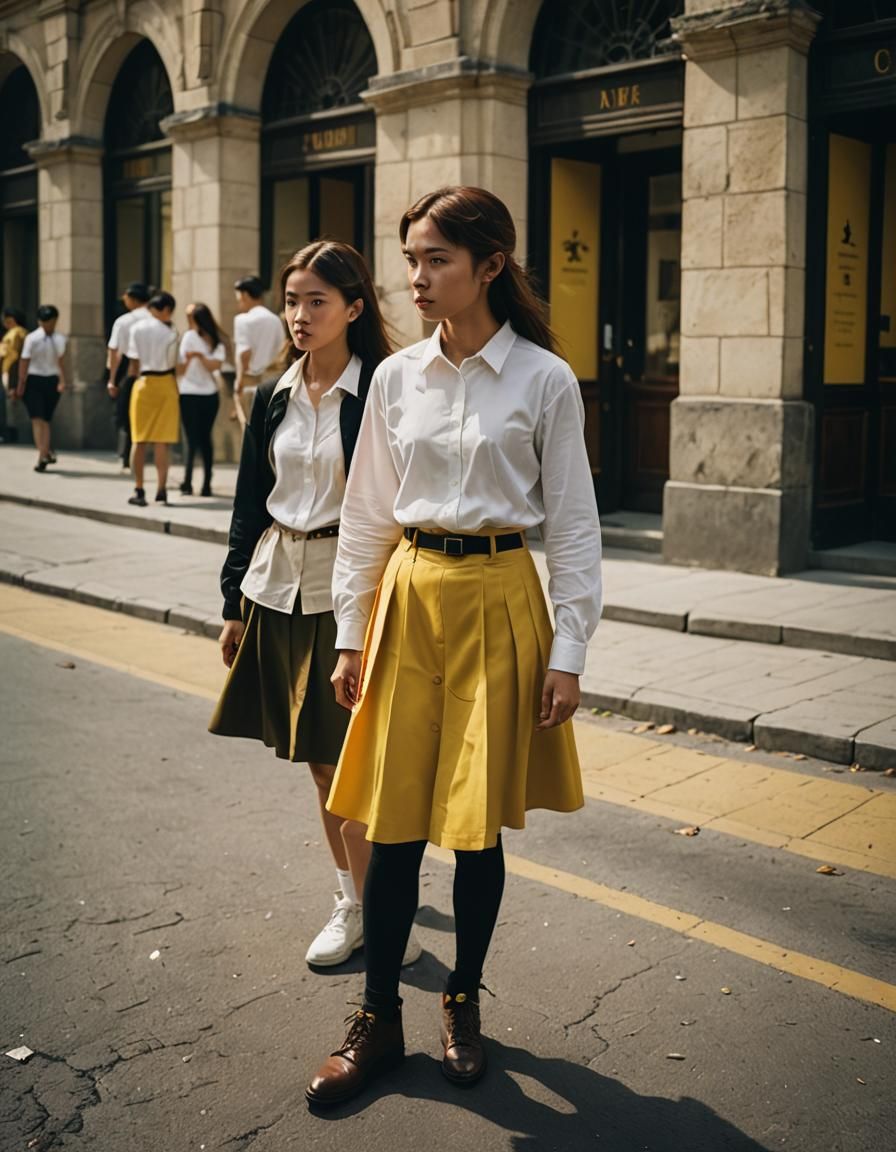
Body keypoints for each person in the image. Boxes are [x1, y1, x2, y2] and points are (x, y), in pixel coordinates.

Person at [305, 187, 602, 1106]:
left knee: (476, 831)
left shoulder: (544, 379)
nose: (417, 278)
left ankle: (463, 1002)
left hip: (504, 597)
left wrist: (570, 651)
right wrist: (352, 636)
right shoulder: (396, 379)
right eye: (411, 260)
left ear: (490, 266)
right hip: (412, 599)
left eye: (435, 259)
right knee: (393, 824)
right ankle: (378, 1016)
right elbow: (364, 519)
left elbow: (577, 526)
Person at [209, 241, 420, 970]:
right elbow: (247, 502)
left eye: (315, 301)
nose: (298, 315)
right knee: (319, 763)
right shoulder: (273, 393)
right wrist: (233, 599)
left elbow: (400, 506)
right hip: (278, 584)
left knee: (350, 763)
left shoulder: (382, 391)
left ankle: (370, 903)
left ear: (353, 308)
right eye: (291, 300)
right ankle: (357, 896)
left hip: (352, 590)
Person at [125, 291, 179, 506]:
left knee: (138, 440)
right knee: (161, 442)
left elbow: (134, 363)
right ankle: (161, 489)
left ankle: (139, 489)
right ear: (165, 309)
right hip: (166, 383)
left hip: (144, 384)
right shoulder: (172, 332)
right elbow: (174, 362)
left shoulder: (136, 328)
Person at [177, 302, 225, 496]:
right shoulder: (188, 336)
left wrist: (200, 355)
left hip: (209, 394)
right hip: (188, 392)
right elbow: (180, 366)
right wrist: (191, 359)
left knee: (205, 438)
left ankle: (207, 483)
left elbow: (215, 366)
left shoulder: (217, 341)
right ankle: (187, 481)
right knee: (191, 438)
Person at [106, 282, 151, 470]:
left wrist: (112, 379)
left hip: (130, 372)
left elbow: (115, 352)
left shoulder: (124, 321)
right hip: (155, 373)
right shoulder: (158, 320)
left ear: (132, 298)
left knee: (126, 415)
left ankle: (128, 454)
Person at [17, 305, 67, 473]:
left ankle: (45, 451)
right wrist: (21, 383)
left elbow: (61, 362)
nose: (48, 325)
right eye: (45, 321)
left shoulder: (60, 339)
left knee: (45, 418)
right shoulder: (32, 338)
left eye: (51, 321)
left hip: (51, 380)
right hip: (34, 380)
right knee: (37, 418)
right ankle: (42, 454)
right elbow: (24, 361)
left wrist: (62, 381)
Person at [232, 275, 286, 426]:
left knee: (249, 436)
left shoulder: (242, 320)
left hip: (250, 385)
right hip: (274, 384)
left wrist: (239, 383)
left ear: (244, 295)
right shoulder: (275, 320)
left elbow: (244, 353)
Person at [1, 308, 27, 442]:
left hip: (10, 372)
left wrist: (13, 383)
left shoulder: (16, 334)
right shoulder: (18, 333)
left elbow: (14, 358)